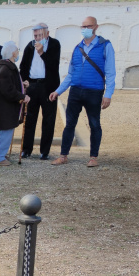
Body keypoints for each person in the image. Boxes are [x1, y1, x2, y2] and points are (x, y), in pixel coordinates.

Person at [49, 16, 115, 168]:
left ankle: (93, 157)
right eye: (83, 26)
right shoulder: (77, 48)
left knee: (94, 124)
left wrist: (108, 94)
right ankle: (63, 155)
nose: (85, 29)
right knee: (70, 124)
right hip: (76, 91)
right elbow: (71, 74)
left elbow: (111, 72)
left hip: (94, 91)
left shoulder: (105, 46)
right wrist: (58, 91)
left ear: (96, 27)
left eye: (89, 26)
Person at [18, 23, 61, 160]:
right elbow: (23, 66)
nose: (37, 38)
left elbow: (53, 65)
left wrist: (42, 52)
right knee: (30, 118)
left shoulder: (54, 44)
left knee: (48, 119)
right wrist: (24, 81)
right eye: (35, 35)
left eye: (40, 35)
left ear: (47, 34)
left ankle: (45, 151)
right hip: (32, 85)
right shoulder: (30, 46)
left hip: (48, 86)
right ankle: (26, 149)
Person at [0, 42, 29, 166]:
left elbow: (10, 85)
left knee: (6, 132)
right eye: (17, 51)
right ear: (13, 53)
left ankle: (0, 154)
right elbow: (7, 90)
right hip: (5, 108)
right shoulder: (5, 68)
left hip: (7, 108)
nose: (18, 53)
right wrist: (22, 96)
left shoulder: (8, 67)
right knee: (5, 133)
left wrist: (21, 85)